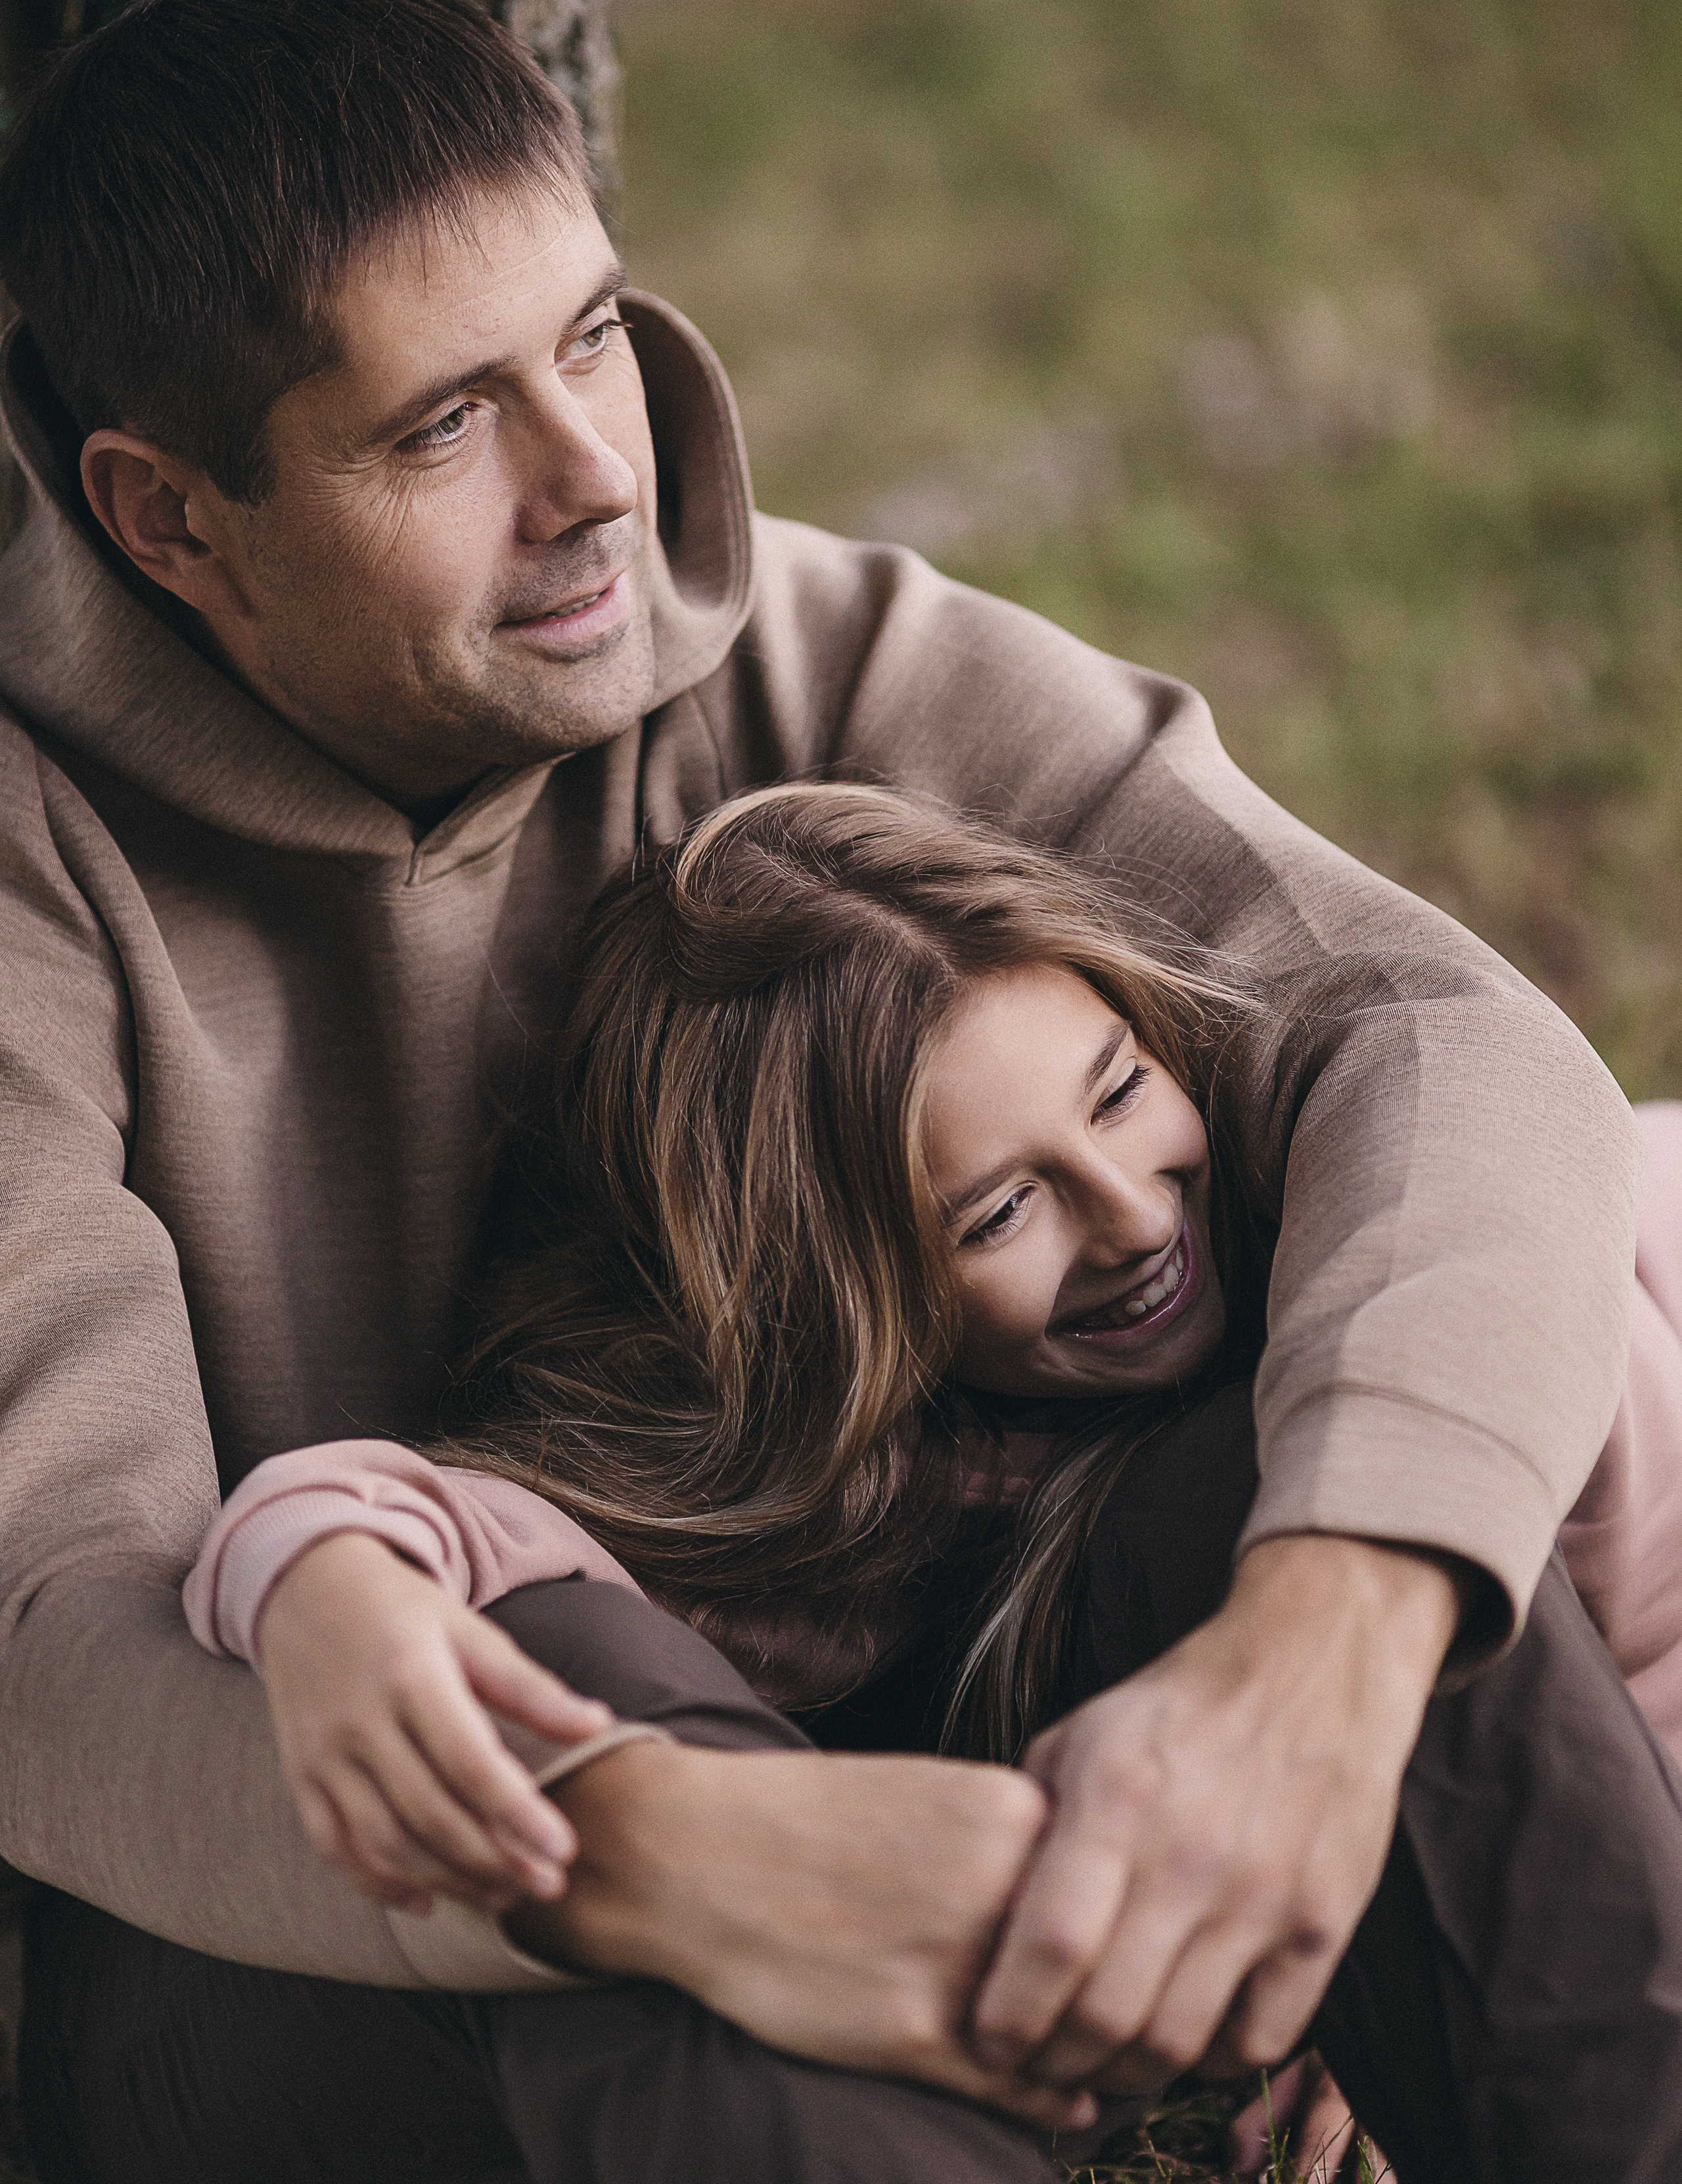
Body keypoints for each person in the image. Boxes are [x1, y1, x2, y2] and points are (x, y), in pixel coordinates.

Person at [0, 0, 1672, 2183]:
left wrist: (1322, 1665)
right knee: (620, 1831)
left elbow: (1441, 1039)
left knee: (1318, 1510)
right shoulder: (27, 879)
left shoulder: (800, 648)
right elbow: (51, 1621)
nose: (597, 476)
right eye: (442, 424)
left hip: (873, 1727)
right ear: (170, 518)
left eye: (591, 335)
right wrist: (669, 1858)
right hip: (311, 1973)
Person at [180, 783, 1682, 2175]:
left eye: (1115, 1093)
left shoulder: (1428, 1301)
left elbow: (1594, 1734)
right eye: (998, 1211)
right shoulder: (867, 1503)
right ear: (839, 1303)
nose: (1130, 1218)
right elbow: (407, 1511)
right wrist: (321, 1593)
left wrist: (1384, 1937)